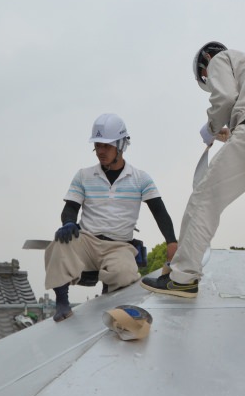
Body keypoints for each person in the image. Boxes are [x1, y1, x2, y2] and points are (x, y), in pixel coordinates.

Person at [140, 41, 245, 320]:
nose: (209, 80)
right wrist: (230, 131)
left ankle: (182, 277)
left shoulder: (221, 59)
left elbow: (225, 99)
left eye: (206, 79)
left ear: (205, 63)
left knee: (204, 199)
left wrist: (210, 129)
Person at [45, 113, 178, 322]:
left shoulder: (140, 178)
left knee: (124, 273)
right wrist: (68, 222)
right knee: (58, 245)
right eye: (97, 145)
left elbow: (159, 212)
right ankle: (62, 303)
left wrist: (171, 242)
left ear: (121, 145)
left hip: (119, 245)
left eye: (106, 146)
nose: (100, 151)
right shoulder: (83, 175)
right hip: (87, 240)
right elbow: (70, 207)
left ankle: (109, 293)